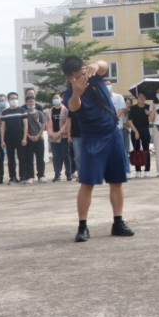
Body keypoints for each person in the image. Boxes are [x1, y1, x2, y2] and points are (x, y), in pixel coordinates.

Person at [61, 57, 133, 242]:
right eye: (78, 77)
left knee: (117, 181)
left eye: (83, 73)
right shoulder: (69, 93)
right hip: (92, 139)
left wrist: (95, 65)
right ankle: (83, 226)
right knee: (87, 183)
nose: (83, 78)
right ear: (69, 78)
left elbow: (103, 65)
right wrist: (77, 92)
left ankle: (118, 222)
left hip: (113, 135)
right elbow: (73, 107)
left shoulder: (94, 77)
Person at [103, 80, 131, 180]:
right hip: (105, 128)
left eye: (108, 84)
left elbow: (121, 110)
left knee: (121, 150)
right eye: (105, 84)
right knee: (106, 151)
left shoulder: (118, 97)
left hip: (117, 127)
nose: (107, 86)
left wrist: (113, 119)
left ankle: (127, 170)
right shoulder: (101, 97)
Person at [0, 92, 28, 185]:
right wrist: (2, 140)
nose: (14, 100)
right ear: (8, 100)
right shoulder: (5, 112)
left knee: (22, 157)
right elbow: (3, 127)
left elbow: (25, 125)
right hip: (9, 138)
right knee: (10, 158)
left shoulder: (22, 110)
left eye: (15, 98)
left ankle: (23, 177)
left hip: (20, 137)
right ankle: (12, 177)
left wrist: (24, 138)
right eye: (12, 98)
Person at [23, 95, 48, 184]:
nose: (31, 103)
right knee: (29, 159)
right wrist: (29, 136)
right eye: (29, 101)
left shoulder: (39, 113)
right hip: (29, 139)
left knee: (40, 158)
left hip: (39, 139)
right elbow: (23, 127)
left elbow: (43, 126)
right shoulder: (24, 114)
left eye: (33, 101)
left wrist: (38, 135)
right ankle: (31, 176)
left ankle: (41, 175)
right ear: (26, 103)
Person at [47, 93, 71, 182]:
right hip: (53, 137)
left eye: (56, 98)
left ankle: (68, 173)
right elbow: (47, 124)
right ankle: (57, 174)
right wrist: (52, 134)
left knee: (65, 155)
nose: (55, 99)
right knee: (56, 156)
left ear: (61, 98)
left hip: (63, 136)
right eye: (53, 98)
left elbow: (67, 123)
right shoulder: (50, 111)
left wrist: (59, 132)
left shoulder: (65, 110)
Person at [127, 92, 151, 178]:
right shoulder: (133, 108)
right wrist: (136, 132)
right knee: (136, 150)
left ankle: (147, 170)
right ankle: (138, 170)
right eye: (139, 97)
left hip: (145, 130)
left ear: (145, 98)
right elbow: (129, 121)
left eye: (143, 96)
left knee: (146, 150)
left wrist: (150, 114)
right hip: (135, 130)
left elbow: (152, 120)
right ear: (137, 98)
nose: (141, 98)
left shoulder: (149, 107)